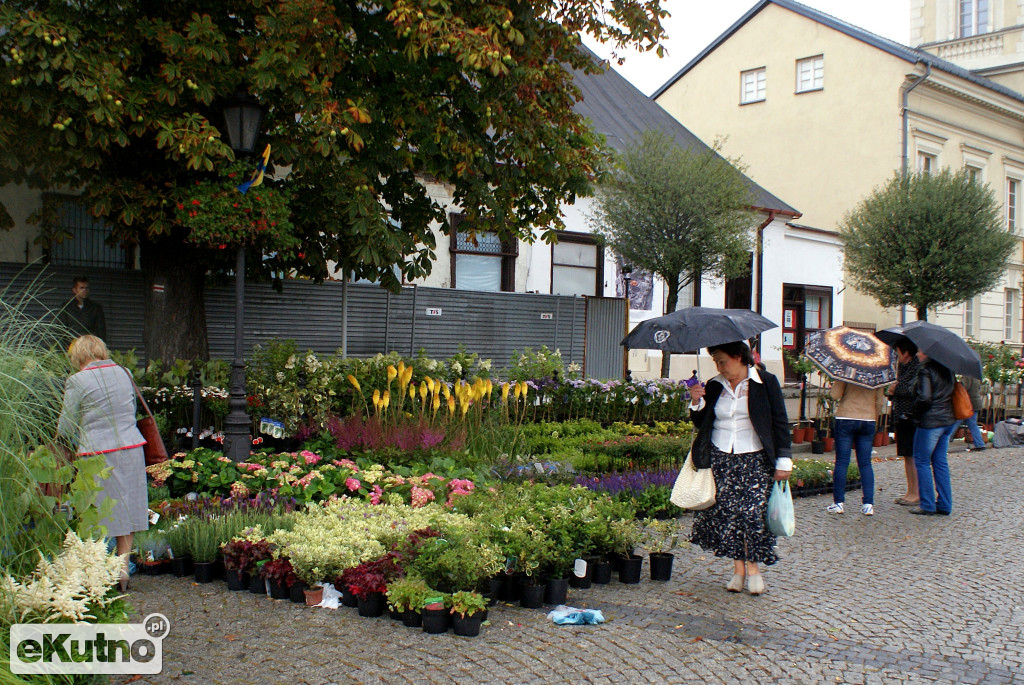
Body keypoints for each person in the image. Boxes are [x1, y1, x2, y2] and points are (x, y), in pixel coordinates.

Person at [686, 341, 792, 596]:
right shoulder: (714, 385)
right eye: (716, 362)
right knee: (730, 516)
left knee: (752, 515)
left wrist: (784, 460)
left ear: (739, 357)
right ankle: (738, 570)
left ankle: (754, 570)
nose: (720, 367)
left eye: (723, 361)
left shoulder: (765, 382)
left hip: (755, 458)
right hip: (722, 458)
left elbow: (780, 421)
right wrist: (696, 402)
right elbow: (703, 422)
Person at [57, 335, 148, 590]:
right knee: (126, 508)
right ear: (101, 350)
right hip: (130, 448)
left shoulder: (77, 380)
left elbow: (65, 425)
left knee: (95, 510)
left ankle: (95, 569)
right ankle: (123, 570)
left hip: (95, 454)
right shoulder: (124, 372)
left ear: (79, 356)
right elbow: (130, 412)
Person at [826, 380, 886, 516]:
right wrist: (873, 417)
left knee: (842, 461)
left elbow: (835, 395)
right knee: (865, 463)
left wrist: (836, 382)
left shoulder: (848, 371)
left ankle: (838, 503)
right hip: (868, 418)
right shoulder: (877, 372)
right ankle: (868, 504)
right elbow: (879, 402)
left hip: (846, 416)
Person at [910, 350, 958, 516]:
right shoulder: (948, 370)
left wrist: (914, 413)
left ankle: (928, 504)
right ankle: (945, 504)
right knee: (940, 462)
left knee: (922, 461)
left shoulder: (926, 370)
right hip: (947, 421)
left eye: (920, 350)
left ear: (928, 353)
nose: (917, 353)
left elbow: (925, 398)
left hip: (931, 422)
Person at [888, 340, 920, 506]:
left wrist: (895, 388)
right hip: (901, 416)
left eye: (898, 352)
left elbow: (912, 389)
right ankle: (910, 490)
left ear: (906, 353)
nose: (896, 355)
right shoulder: (904, 368)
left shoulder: (917, 367)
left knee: (912, 455)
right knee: (906, 455)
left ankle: (916, 493)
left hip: (910, 417)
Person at [58, 276, 107, 341]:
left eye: (87, 288)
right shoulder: (66, 307)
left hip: (90, 346)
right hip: (71, 346)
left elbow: (101, 330)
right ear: (74, 290)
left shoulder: (96, 308)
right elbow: (60, 330)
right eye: (81, 288)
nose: (85, 290)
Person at [958, 375, 988, 451]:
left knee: (956, 421)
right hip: (975, 402)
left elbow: (963, 388)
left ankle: (944, 442)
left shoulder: (967, 376)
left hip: (969, 403)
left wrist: (959, 384)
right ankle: (980, 444)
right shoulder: (976, 377)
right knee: (972, 424)